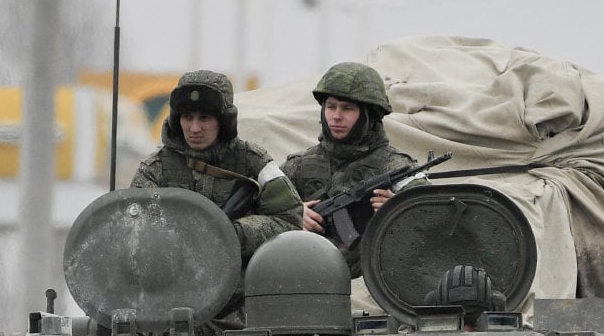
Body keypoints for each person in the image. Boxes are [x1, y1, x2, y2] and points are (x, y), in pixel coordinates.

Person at [131, 69, 301, 262]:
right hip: (173, 283)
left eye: (204, 118)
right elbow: (132, 226)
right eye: (187, 117)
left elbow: (290, 220)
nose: (195, 128)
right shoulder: (155, 168)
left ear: (223, 121)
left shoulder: (255, 162)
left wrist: (233, 232)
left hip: (240, 286)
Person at [286, 62, 414, 270]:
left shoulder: (396, 167)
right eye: (331, 106)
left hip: (371, 279)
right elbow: (256, 211)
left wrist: (399, 212)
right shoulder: (299, 165)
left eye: (347, 108)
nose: (336, 116)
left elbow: (433, 219)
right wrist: (291, 214)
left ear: (369, 115)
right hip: (305, 274)